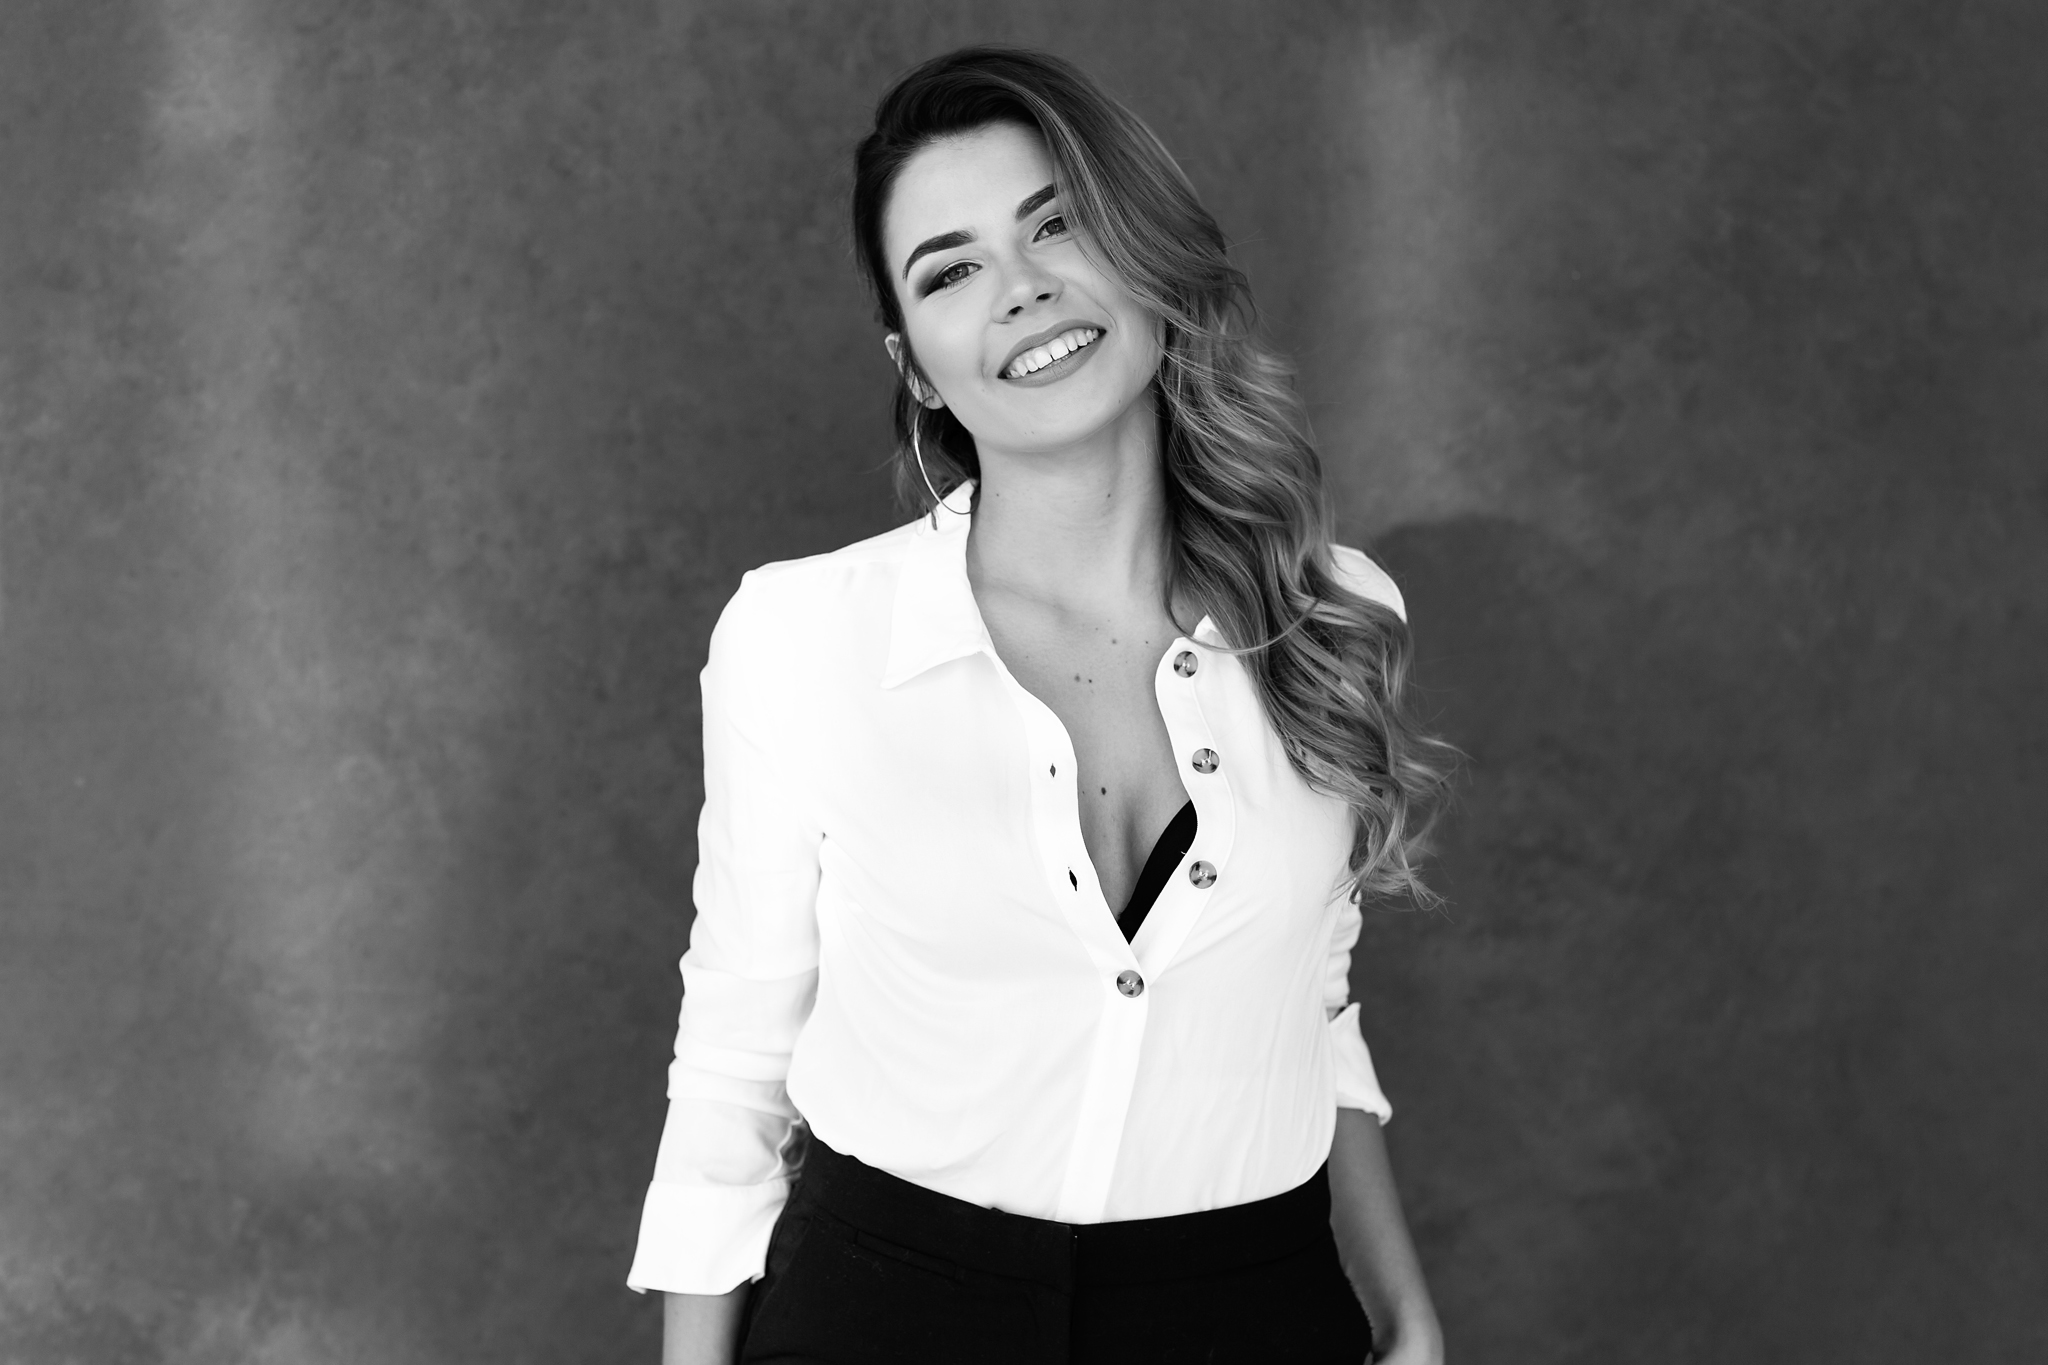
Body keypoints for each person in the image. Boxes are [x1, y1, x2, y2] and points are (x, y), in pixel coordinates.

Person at [628, 46, 1457, 1365]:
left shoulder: (1334, 616)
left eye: (1057, 225)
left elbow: (1310, 1000)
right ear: (916, 364)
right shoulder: (802, 637)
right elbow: (735, 1059)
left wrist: (1405, 1312)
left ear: (1143, 257)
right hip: (884, 1317)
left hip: (1251, 1312)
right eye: (950, 271)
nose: (1021, 289)